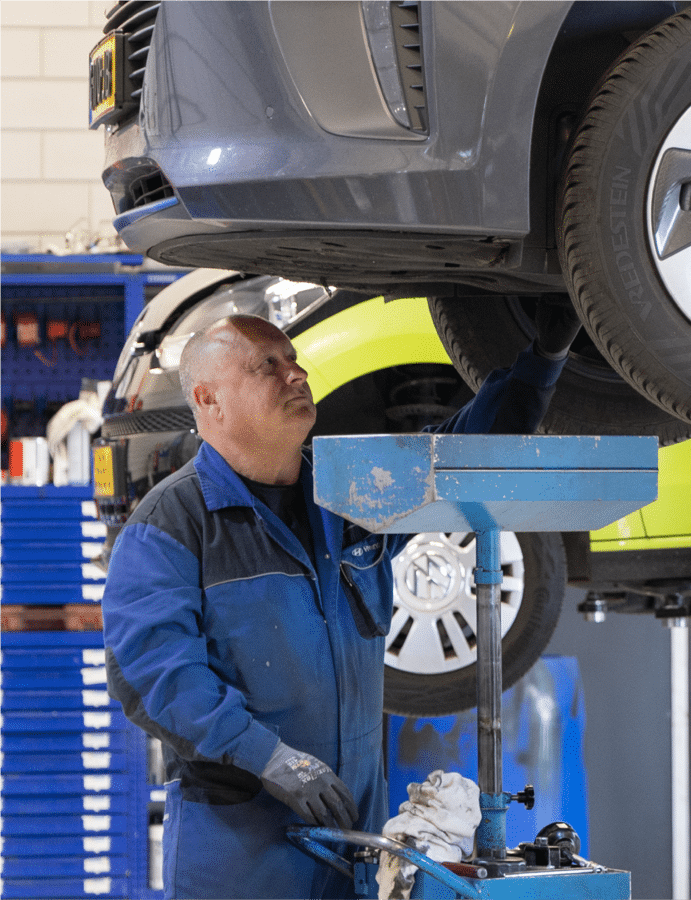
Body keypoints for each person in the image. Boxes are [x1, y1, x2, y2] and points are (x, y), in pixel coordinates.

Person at [102, 298, 581, 899]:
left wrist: (545, 358)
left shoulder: (348, 493)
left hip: (351, 852)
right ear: (208, 400)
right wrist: (271, 758)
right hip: (240, 863)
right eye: (266, 365)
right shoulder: (173, 523)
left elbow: (462, 454)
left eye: (294, 360)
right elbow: (153, 676)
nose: (295, 374)